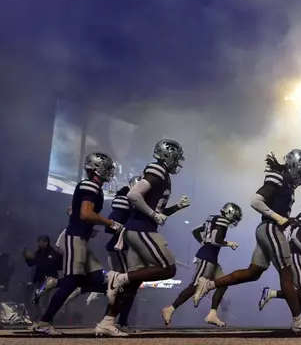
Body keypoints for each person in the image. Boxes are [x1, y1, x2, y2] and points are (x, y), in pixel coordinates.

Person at [192, 150, 301, 333]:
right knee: (287, 274)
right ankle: (298, 320)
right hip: (271, 229)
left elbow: (276, 209)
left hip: (269, 229)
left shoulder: (287, 183)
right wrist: (278, 218)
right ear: (296, 165)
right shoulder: (280, 178)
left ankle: (209, 284)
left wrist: (287, 219)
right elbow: (256, 201)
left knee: (253, 273)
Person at [32, 152, 125, 336]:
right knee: (72, 281)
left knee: (101, 281)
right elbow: (85, 213)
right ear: (97, 169)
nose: (109, 172)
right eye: (106, 168)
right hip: (76, 238)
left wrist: (87, 224)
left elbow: (74, 210)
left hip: (80, 237)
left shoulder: (89, 186)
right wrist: (110, 223)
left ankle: (57, 283)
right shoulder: (90, 185)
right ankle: (44, 321)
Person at [105, 140, 190, 316]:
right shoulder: (157, 169)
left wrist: (176, 207)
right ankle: (118, 277)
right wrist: (152, 215)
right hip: (142, 229)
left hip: (140, 228)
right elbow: (133, 194)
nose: (177, 162)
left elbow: (157, 210)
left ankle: (109, 321)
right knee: (168, 268)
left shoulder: (163, 173)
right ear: (168, 155)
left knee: (134, 282)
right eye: (176, 158)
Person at [162, 202, 243, 327]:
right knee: (194, 286)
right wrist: (229, 243)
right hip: (207, 258)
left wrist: (203, 242)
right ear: (229, 212)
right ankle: (170, 309)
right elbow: (215, 240)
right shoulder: (223, 221)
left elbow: (195, 231)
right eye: (235, 216)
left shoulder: (213, 219)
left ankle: (212, 314)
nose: (234, 221)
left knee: (224, 283)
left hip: (210, 257)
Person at [86, 175, 143, 333]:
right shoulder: (124, 199)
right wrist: (125, 231)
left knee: (128, 286)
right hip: (121, 248)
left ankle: (119, 321)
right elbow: (111, 225)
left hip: (128, 249)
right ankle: (113, 320)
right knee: (126, 286)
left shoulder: (135, 202)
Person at [259, 196, 301, 315]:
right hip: (296, 255)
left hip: (296, 255)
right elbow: (295, 236)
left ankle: (300, 320)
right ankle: (271, 293)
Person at [25, 236, 62, 306]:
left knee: (45, 301)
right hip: (39, 280)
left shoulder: (53, 253)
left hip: (49, 281)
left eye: (40, 242)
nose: (38, 244)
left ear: (46, 243)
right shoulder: (38, 253)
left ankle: (44, 315)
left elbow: (48, 264)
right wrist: (27, 258)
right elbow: (31, 264)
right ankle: (36, 315)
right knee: (35, 300)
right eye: (38, 242)